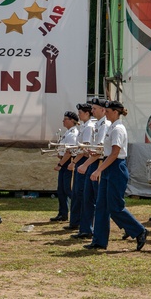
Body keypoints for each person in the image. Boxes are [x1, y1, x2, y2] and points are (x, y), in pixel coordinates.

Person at [84, 100, 147, 251]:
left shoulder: (118, 128)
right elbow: (108, 151)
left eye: (107, 111)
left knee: (115, 207)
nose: (105, 113)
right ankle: (99, 241)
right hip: (109, 166)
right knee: (101, 206)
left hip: (116, 167)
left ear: (115, 112)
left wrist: (98, 170)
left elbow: (115, 153)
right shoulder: (111, 127)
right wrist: (97, 152)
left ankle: (139, 230)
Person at [72, 97, 109, 240]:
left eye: (94, 108)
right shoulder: (97, 124)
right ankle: (86, 229)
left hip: (99, 163)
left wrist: (85, 164)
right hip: (92, 161)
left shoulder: (104, 125)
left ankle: (99, 231)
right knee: (87, 198)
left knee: (99, 200)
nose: (92, 111)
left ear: (103, 110)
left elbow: (100, 150)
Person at [67, 102, 95, 233]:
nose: (79, 115)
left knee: (81, 193)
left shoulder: (88, 127)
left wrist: (74, 162)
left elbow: (85, 149)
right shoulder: (84, 126)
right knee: (76, 193)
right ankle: (76, 221)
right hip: (80, 159)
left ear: (87, 113)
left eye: (81, 112)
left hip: (83, 160)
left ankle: (82, 224)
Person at [51, 111, 80, 222]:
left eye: (66, 119)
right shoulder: (67, 132)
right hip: (64, 161)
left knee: (68, 189)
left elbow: (69, 152)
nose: (63, 121)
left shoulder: (73, 134)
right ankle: (63, 213)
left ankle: (77, 212)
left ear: (72, 121)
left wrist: (60, 164)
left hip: (68, 162)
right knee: (61, 190)